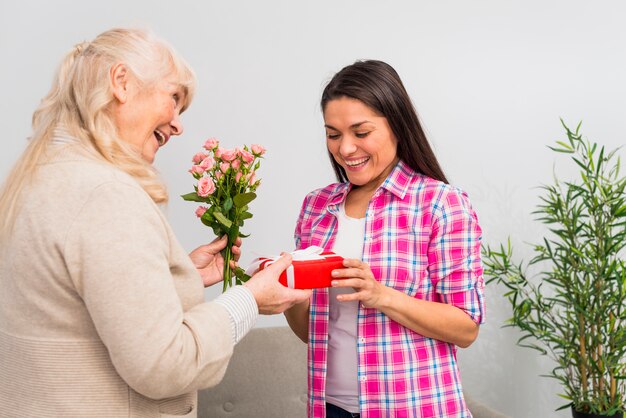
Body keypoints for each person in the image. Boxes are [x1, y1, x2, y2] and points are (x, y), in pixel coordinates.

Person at [0, 28, 311, 417]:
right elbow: (164, 365)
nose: (178, 125)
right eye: (174, 98)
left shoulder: (42, 177)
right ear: (122, 83)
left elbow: (78, 309)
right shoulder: (105, 193)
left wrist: (176, 280)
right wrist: (248, 299)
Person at [284, 60, 485, 418]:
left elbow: (466, 327)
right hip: (330, 408)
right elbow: (310, 334)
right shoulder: (316, 206)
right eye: (333, 134)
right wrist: (287, 293)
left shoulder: (440, 204)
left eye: (361, 133)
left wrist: (381, 296)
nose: (345, 148)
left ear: (397, 127)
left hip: (415, 408)